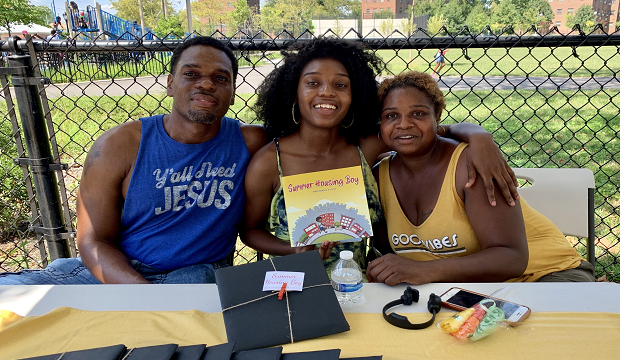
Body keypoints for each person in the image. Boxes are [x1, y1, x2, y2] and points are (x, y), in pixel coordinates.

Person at [0, 36, 266, 285]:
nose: (206, 84)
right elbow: (93, 240)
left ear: (232, 93)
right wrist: (143, 294)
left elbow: (304, 140)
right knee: (13, 293)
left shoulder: (251, 142)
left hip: (197, 271)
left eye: (220, 78)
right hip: (118, 267)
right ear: (171, 84)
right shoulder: (119, 145)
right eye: (191, 74)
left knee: (171, 330)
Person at [241, 39, 520, 273]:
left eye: (341, 85)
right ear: (294, 92)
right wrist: (293, 250)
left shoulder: (367, 146)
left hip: (359, 284)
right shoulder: (268, 162)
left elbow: (424, 129)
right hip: (295, 283)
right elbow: (250, 231)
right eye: (313, 83)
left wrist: (479, 137)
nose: (326, 92)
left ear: (355, 96)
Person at [366, 71, 595, 285]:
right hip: (470, 291)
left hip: (548, 275)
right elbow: (386, 251)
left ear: (437, 116)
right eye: (391, 115)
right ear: (381, 123)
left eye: (418, 113)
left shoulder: (472, 164)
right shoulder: (379, 174)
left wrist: (424, 270)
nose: (404, 123)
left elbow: (511, 257)